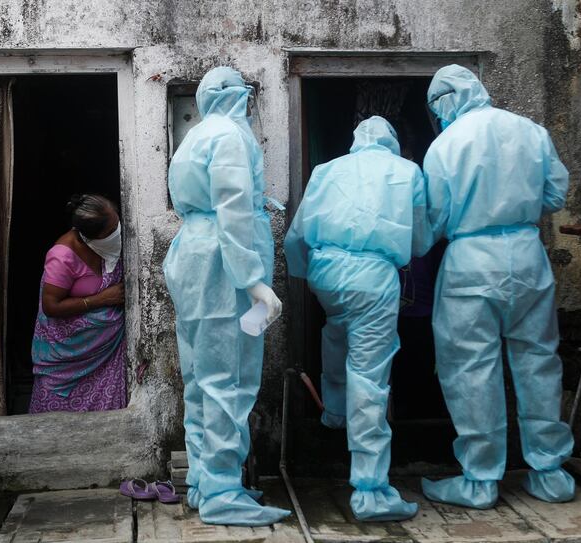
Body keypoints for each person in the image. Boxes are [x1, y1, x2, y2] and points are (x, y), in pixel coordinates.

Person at [416, 64, 575, 508]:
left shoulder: (445, 145)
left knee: (470, 368)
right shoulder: (530, 130)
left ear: (443, 103)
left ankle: (480, 479)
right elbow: (555, 195)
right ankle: (550, 472)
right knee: (539, 362)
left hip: (470, 260)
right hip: (527, 254)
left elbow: (434, 219)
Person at [163, 66, 291, 526]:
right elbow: (234, 212)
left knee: (200, 380)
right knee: (227, 381)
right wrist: (255, 281)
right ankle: (222, 492)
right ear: (238, 97)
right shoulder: (232, 137)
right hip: (222, 265)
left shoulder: (194, 137)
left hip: (193, 258)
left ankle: (203, 481)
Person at [284, 116, 429, 521]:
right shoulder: (406, 171)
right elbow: (419, 240)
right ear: (392, 143)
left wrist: (304, 275)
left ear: (356, 141)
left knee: (336, 333)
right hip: (372, 277)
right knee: (369, 374)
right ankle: (370, 490)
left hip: (326, 274)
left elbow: (297, 233)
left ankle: (334, 412)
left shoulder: (327, 170)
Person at [29, 194, 127, 413]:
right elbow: (51, 307)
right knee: (53, 422)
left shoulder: (111, 246)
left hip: (106, 358)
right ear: (90, 237)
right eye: (111, 231)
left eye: (117, 223)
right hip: (67, 360)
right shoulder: (62, 256)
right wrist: (101, 299)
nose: (118, 232)